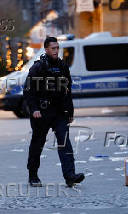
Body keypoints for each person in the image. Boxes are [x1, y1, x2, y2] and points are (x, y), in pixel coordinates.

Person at [24, 36, 85, 187]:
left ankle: (70, 175)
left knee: (65, 143)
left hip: (59, 112)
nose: (56, 51)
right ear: (46, 49)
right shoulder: (38, 67)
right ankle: (33, 175)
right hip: (42, 112)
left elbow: (67, 90)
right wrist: (34, 109)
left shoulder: (63, 66)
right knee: (37, 144)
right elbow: (28, 90)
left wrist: (70, 112)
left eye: (57, 48)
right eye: (53, 48)